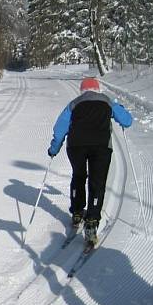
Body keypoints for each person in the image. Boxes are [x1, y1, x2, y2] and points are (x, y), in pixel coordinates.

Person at [47, 77, 133, 246]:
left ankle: (78, 211)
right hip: (101, 147)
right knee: (97, 183)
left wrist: (53, 149)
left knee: (78, 177)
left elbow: (60, 128)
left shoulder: (74, 103)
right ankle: (92, 222)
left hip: (76, 146)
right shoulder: (107, 101)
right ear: (97, 89)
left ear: (82, 90)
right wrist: (119, 109)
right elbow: (127, 121)